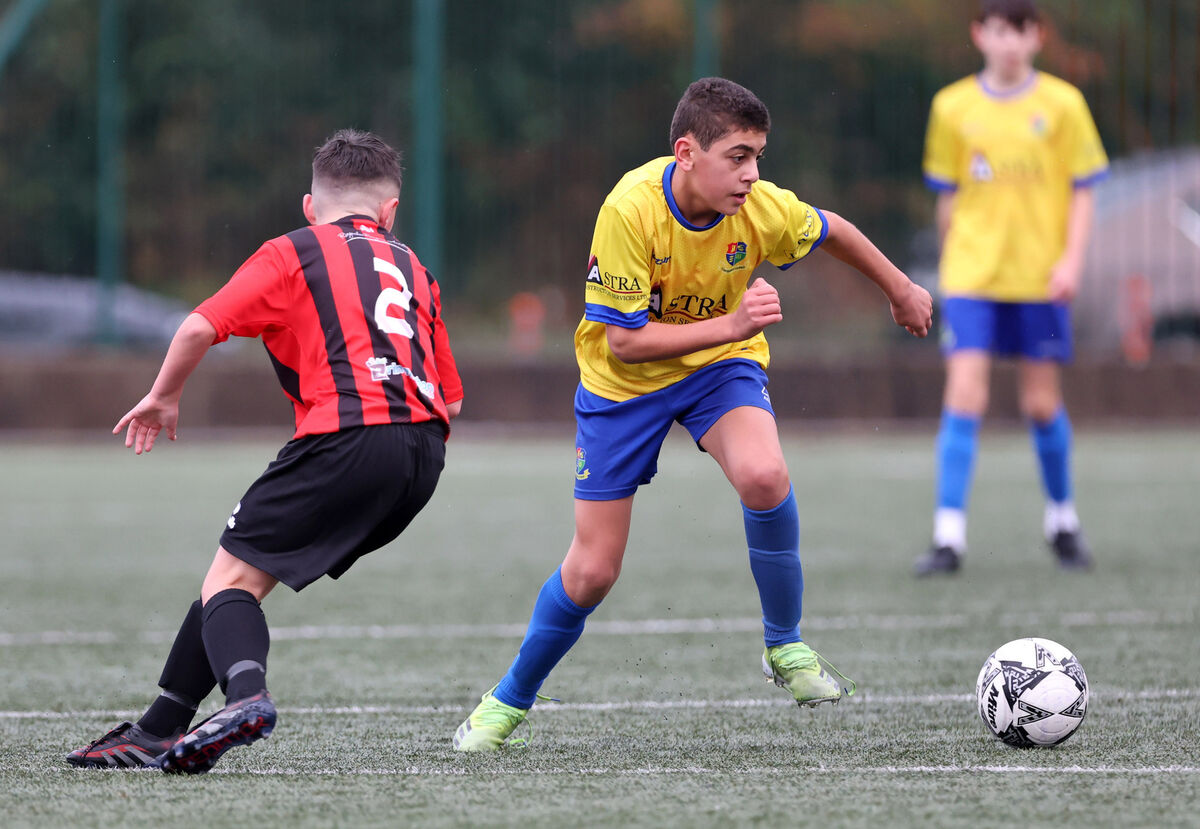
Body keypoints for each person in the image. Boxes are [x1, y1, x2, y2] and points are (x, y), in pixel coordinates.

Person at [453, 77, 933, 751]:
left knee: (765, 475)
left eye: (759, 155)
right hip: (624, 384)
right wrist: (733, 320)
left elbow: (833, 229)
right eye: (738, 156)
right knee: (593, 570)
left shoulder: (759, 207)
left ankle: (785, 646)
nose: (752, 173)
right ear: (686, 152)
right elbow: (624, 340)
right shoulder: (628, 210)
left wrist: (902, 288)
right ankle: (508, 699)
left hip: (717, 370)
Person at [66, 129, 463, 773]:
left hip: (347, 438)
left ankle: (246, 697)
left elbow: (199, 325)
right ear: (391, 211)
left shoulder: (293, 252)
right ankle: (158, 727)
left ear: (311, 206)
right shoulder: (416, 267)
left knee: (228, 583)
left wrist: (163, 396)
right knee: (236, 579)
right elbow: (452, 396)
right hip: (423, 455)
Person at [914, 0, 1108, 576]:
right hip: (973, 277)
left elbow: (1084, 189)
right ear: (980, 34)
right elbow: (947, 197)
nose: (1010, 42)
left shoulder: (1064, 104)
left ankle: (1063, 522)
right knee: (965, 395)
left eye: (1021, 30)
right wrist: (949, 263)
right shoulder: (951, 106)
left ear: (1038, 37)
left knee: (1041, 402)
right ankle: (948, 538)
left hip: (1040, 278)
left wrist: (1071, 261)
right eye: (999, 29)